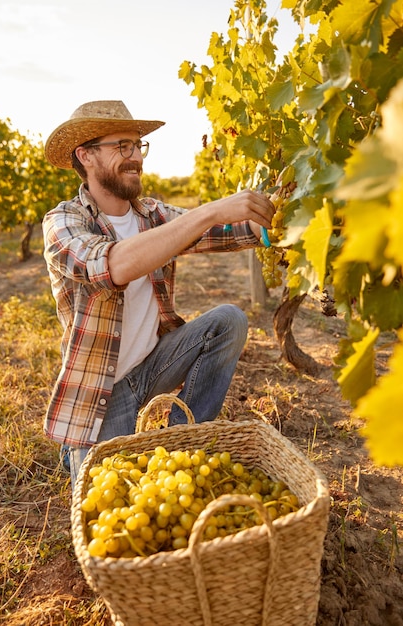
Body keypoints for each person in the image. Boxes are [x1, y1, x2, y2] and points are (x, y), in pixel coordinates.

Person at [42, 100, 275, 488]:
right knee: (116, 497)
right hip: (103, 398)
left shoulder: (152, 215)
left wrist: (283, 213)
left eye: (138, 146)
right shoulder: (64, 222)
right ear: (85, 155)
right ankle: (78, 452)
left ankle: (182, 444)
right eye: (122, 147)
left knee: (227, 321)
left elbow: (231, 232)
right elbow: (113, 266)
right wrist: (209, 211)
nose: (135, 157)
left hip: (152, 370)